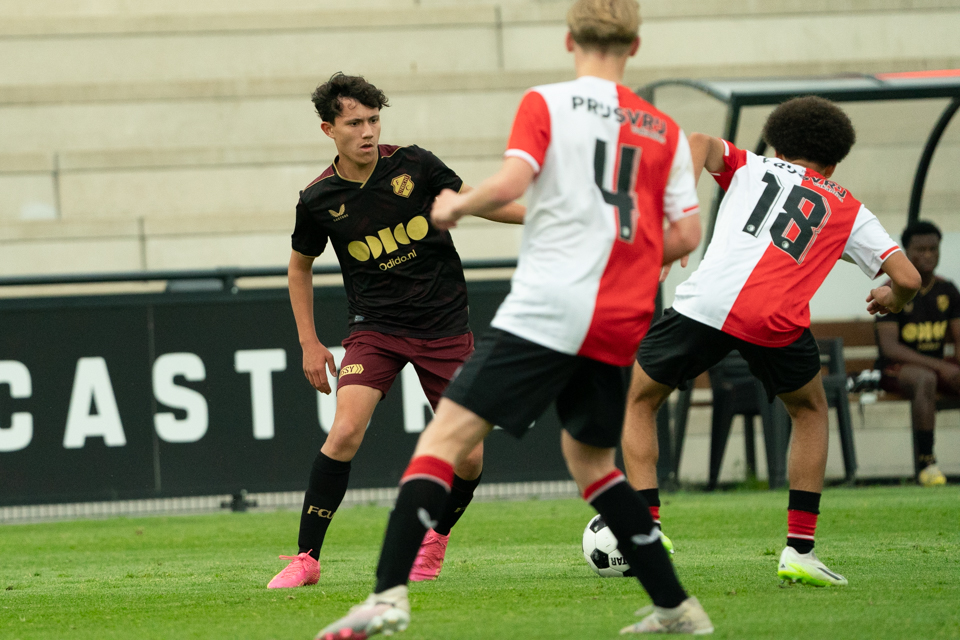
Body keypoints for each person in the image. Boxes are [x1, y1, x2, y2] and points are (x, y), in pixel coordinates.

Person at [316, 1, 713, 637]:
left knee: (441, 443)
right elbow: (686, 232)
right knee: (593, 464)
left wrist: (456, 204)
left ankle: (387, 598)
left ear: (568, 41)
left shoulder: (547, 104)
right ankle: (678, 609)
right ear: (635, 48)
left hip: (550, 305)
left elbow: (511, 182)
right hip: (617, 317)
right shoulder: (663, 128)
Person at [619, 96, 922, 588]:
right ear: (834, 161)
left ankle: (647, 532)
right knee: (810, 412)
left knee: (640, 399)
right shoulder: (847, 207)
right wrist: (892, 298)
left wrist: (675, 223)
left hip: (706, 305)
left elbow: (695, 142)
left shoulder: (749, 165)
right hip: (776, 321)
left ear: (777, 143)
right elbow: (907, 276)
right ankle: (800, 550)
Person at [270, 72, 524, 589]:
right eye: (354, 122)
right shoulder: (318, 199)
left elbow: (474, 201)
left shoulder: (415, 164)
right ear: (328, 129)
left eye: (373, 120)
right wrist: (309, 342)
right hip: (376, 329)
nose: (367, 131)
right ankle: (305, 559)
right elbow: (300, 267)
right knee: (344, 431)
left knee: (471, 454)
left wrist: (551, 218)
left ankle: (436, 538)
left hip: (444, 325)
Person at [875, 220, 960, 486]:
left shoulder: (947, 290)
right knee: (925, 379)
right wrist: (940, 366)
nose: (928, 255)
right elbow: (890, 348)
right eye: (920, 249)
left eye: (933, 249)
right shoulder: (891, 288)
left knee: (936, 376)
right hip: (895, 370)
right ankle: (927, 463)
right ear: (906, 251)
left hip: (935, 367)